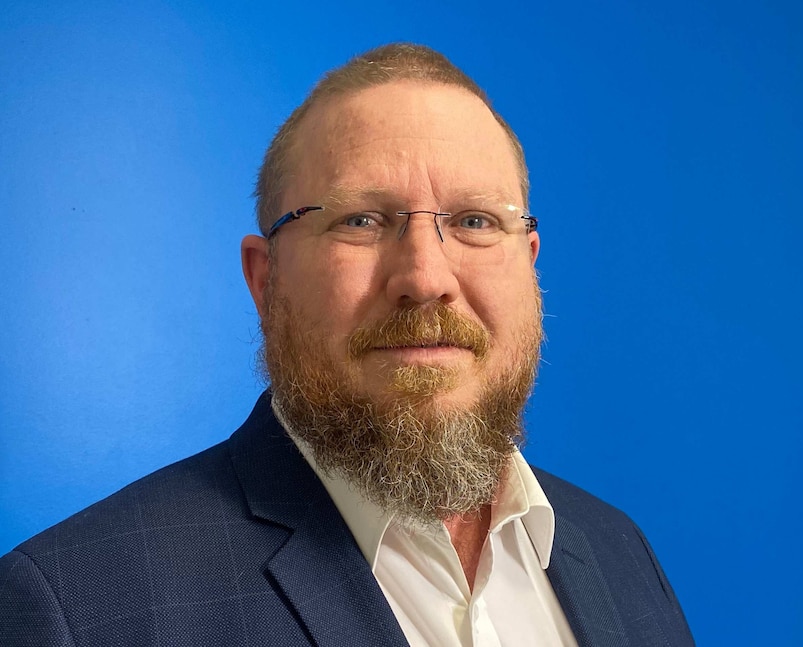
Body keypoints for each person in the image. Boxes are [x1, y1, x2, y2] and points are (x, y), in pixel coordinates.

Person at [0, 43, 695, 646]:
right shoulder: (76, 608)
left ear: (530, 262)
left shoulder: (618, 552)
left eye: (477, 220)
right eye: (362, 219)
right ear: (265, 278)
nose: (426, 277)